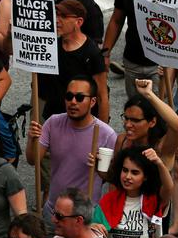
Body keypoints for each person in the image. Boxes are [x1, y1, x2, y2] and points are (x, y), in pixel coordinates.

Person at [28, 75, 118, 218]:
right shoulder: (53, 123)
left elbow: (115, 179)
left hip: (85, 216)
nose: (73, 102)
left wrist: (100, 169)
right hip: (53, 212)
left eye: (80, 97)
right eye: (69, 96)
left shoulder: (106, 135)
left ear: (93, 101)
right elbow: (33, 160)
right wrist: (31, 139)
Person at [40, 0, 107, 119]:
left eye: (63, 16)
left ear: (79, 22)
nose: (56, 20)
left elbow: (102, 95)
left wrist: (102, 129)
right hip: (53, 118)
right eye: (56, 15)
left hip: (80, 122)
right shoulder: (51, 46)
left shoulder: (92, 54)